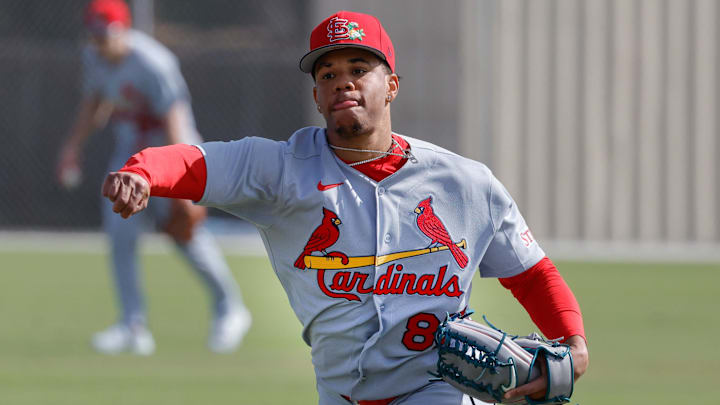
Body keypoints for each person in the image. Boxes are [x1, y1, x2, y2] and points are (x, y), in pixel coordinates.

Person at [101, 10, 588, 403]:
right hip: (339, 393)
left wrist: (573, 344)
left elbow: (529, 272)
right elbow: (199, 162)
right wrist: (143, 173)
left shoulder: (465, 183)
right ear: (316, 95)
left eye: (359, 69)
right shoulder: (281, 169)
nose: (343, 82)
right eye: (328, 73)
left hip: (435, 389)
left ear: (391, 85)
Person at [58, 0, 251, 355]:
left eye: (106, 34)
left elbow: (175, 122)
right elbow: (94, 104)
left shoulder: (153, 63)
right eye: (95, 35)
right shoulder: (94, 57)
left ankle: (230, 308)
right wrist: (72, 147)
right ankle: (132, 325)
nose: (100, 42)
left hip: (171, 154)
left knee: (185, 236)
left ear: (125, 29)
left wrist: (182, 187)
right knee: (120, 236)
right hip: (130, 158)